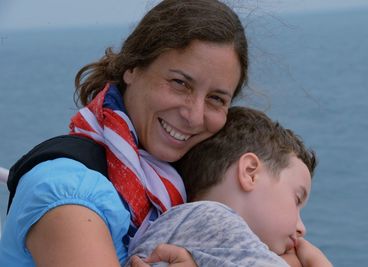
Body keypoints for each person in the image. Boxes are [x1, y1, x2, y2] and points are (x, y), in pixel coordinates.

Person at [0, 1, 248, 266]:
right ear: (132, 68)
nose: (194, 115)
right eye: (180, 83)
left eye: (216, 99)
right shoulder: (68, 194)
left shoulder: (174, 184)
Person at [127, 106, 333, 267]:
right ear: (250, 172)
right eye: (297, 199)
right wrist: (316, 262)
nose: (301, 228)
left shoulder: (181, 223)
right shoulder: (215, 219)